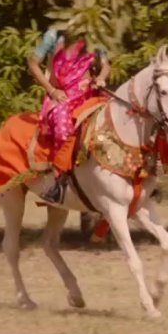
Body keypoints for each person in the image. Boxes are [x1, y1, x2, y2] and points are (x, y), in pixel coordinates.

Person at [27, 26, 110, 203]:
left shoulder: (94, 33)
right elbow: (33, 63)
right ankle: (60, 181)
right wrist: (51, 90)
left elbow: (105, 65)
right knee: (63, 128)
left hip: (88, 93)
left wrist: (101, 78)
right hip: (62, 95)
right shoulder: (53, 35)